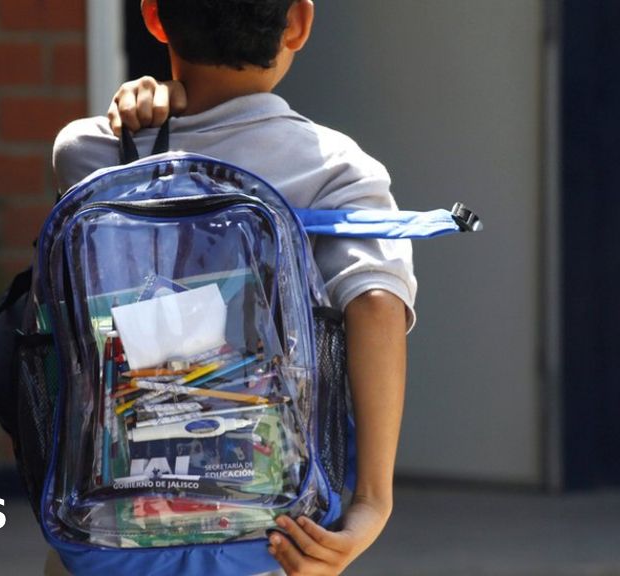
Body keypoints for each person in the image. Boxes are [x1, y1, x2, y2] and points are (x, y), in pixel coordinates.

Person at [49, 1, 415, 574]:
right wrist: (372, 502)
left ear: (154, 17)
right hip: (272, 534)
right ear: (297, 22)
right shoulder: (339, 169)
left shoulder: (89, 154)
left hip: (111, 528)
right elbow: (374, 303)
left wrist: (160, 98)